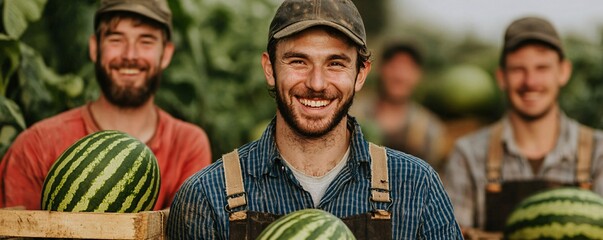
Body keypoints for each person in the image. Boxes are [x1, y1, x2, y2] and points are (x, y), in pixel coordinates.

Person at [167, 0, 462, 239]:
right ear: (269, 69)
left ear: (361, 74)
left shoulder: (416, 187)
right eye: (298, 61)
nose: (317, 83)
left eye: (335, 63)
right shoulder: (207, 196)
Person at [0, 0, 212, 210]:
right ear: (94, 48)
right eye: (116, 40)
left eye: (146, 41)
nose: (130, 55)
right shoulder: (36, 145)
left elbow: (189, 225)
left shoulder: (188, 144)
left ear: (165, 54)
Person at [443, 16, 603, 233]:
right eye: (518, 69)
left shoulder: (598, 152)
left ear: (563, 72)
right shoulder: (468, 155)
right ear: (501, 77)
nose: (531, 82)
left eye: (542, 68)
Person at [351, 42, 449, 173]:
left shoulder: (429, 129)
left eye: (408, 68)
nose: (400, 75)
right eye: (394, 66)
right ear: (379, 68)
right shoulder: (351, 114)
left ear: (419, 75)